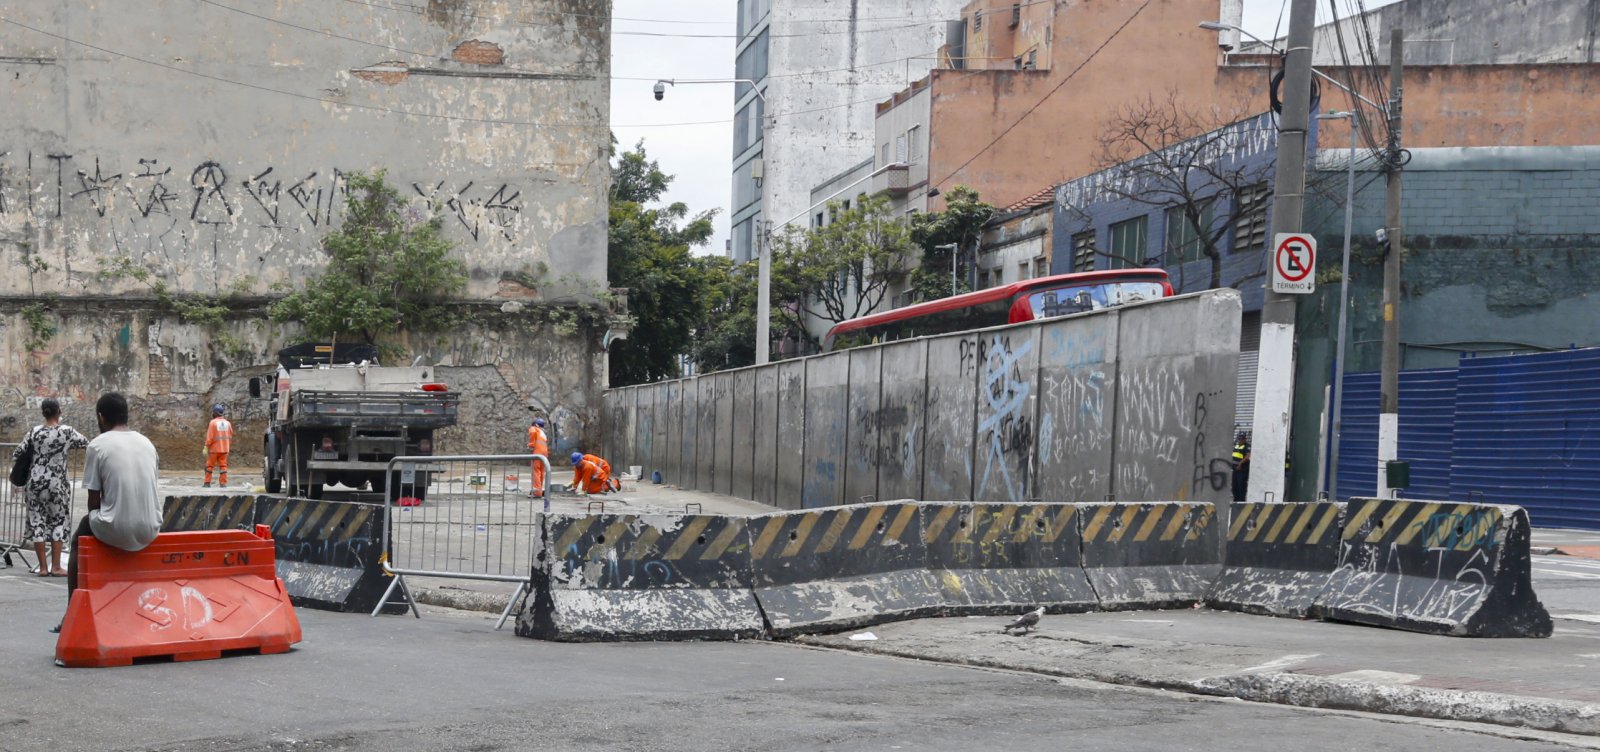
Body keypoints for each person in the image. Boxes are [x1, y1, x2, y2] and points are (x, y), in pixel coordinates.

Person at [55, 393, 161, 632]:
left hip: (117, 528)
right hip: (152, 527)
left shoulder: (97, 445)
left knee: (79, 538)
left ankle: (72, 611)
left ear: (101, 418)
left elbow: (94, 501)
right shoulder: (147, 443)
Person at [10, 398, 89, 577]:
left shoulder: (34, 432)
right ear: (58, 411)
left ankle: (43, 567)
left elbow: (17, 453)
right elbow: (86, 443)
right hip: (57, 484)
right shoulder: (66, 432)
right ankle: (56, 566)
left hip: (35, 482)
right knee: (58, 521)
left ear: (43, 412)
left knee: (37, 520)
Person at [203, 403, 232, 488]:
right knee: (223, 466)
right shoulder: (228, 423)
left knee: (209, 466)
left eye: (213, 412)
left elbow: (210, 437)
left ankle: (207, 483)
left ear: (215, 413)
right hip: (225, 449)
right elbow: (230, 435)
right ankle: (223, 483)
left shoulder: (213, 423)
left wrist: (206, 446)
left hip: (214, 450)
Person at [527, 417, 549, 498]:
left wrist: (531, 445)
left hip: (538, 451)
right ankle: (539, 490)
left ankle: (536, 492)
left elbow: (532, 432)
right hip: (545, 453)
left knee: (536, 471)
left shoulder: (534, 428)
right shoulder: (543, 433)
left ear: (536, 424)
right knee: (541, 471)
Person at [1231, 431, 1250, 503]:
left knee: (1241, 486)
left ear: (1244, 439)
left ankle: (1241, 502)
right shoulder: (1236, 446)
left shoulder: (1247, 446)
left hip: (1242, 470)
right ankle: (1235, 501)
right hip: (1235, 470)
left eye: (1242, 438)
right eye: (1239, 438)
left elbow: (1247, 456)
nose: (1240, 440)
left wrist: (1240, 464)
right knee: (1234, 487)